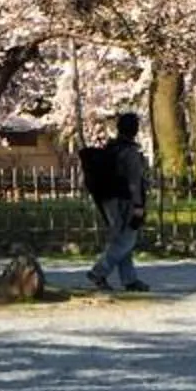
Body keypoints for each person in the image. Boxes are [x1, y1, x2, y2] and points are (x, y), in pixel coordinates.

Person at [81, 112, 152, 293]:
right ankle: (99, 272)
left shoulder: (112, 148)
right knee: (126, 240)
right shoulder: (130, 152)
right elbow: (134, 181)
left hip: (108, 199)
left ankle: (129, 279)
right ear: (135, 130)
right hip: (125, 200)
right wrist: (138, 206)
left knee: (120, 238)